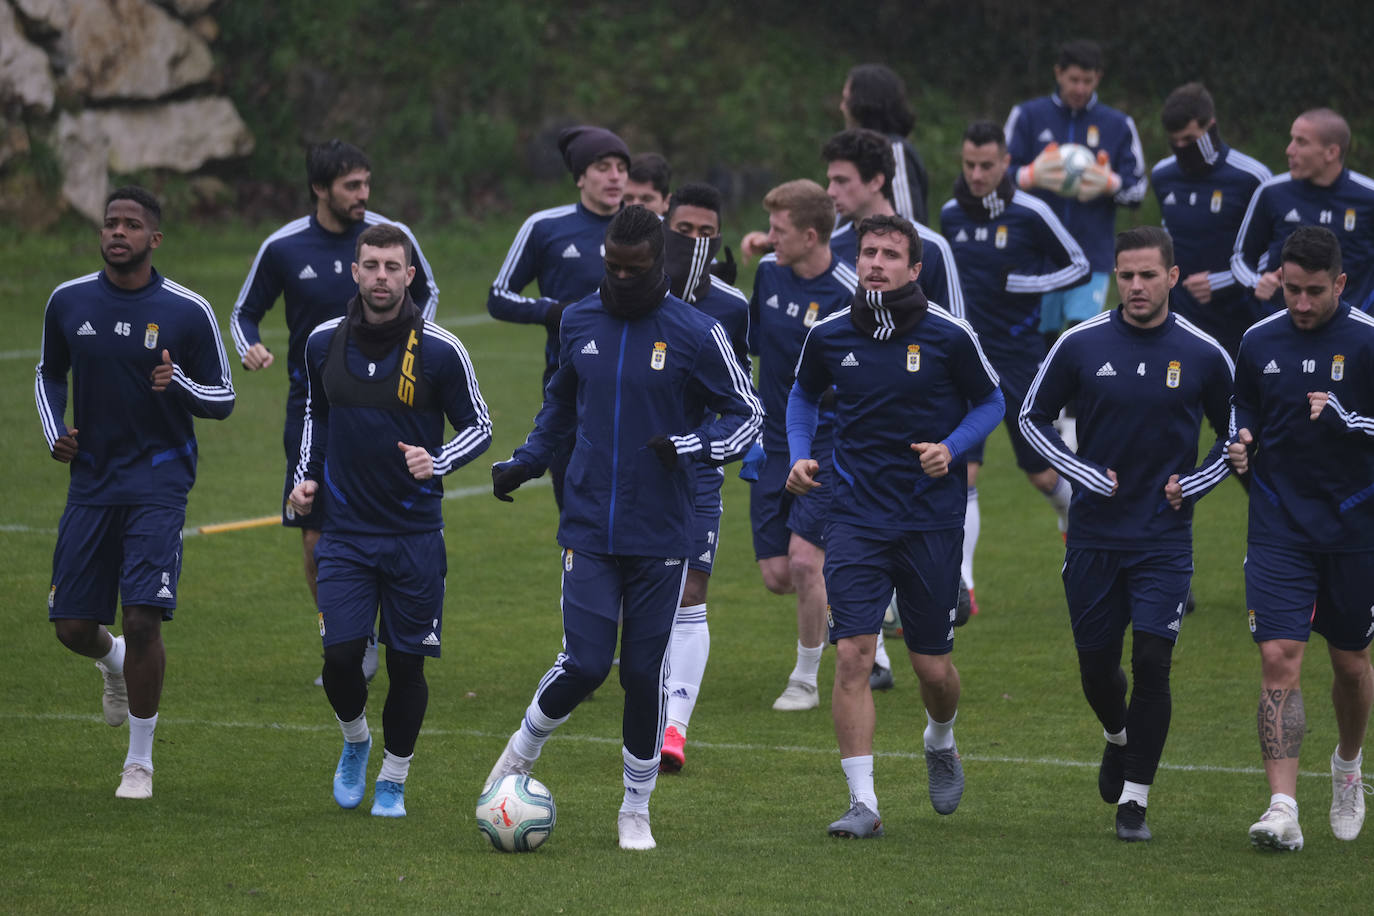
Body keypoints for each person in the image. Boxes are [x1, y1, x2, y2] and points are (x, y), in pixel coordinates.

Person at [483, 205, 763, 850]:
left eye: (633, 270)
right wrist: (526, 462)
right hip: (586, 522)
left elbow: (746, 414)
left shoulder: (696, 332)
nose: (620, 278)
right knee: (584, 663)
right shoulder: (580, 318)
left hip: (662, 530)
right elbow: (559, 404)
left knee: (641, 672)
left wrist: (695, 444)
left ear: (658, 265)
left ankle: (635, 807)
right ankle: (519, 755)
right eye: (611, 266)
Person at [787, 213, 1004, 837]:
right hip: (854, 514)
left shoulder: (948, 334)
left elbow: (992, 399)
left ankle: (940, 738)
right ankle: (863, 803)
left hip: (931, 520)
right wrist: (802, 450)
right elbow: (803, 395)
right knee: (853, 654)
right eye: (868, 252)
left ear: (914, 269)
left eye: (890, 254)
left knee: (931, 667)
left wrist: (952, 446)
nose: (875, 262)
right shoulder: (829, 334)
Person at [1020, 226, 1234, 842]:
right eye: (1126, 275)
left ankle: (1135, 801)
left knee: (1153, 661)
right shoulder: (1080, 343)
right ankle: (1116, 737)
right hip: (1093, 536)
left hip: (1164, 539)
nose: (1136, 286)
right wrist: (1083, 473)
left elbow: (1236, 434)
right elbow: (1030, 418)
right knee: (1097, 670)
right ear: (1115, 277)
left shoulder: (1201, 352)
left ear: (1172, 276)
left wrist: (1191, 486)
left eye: (1148, 275)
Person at [36, 186, 236, 799]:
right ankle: (114, 661)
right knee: (71, 626)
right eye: (110, 223)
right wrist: (56, 435)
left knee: (145, 617)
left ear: (155, 239)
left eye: (130, 225)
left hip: (159, 479)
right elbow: (49, 372)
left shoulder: (186, 310)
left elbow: (223, 397)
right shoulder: (68, 301)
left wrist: (179, 386)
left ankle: (139, 762)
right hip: (92, 480)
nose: (117, 232)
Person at [288, 223, 492, 817]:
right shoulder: (323, 341)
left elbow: (479, 426)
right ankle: (356, 741)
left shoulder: (440, 349)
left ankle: (394, 779)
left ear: (409, 276)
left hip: (414, 536)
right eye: (370, 265)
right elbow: (314, 417)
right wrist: (305, 479)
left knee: (407, 665)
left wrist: (440, 459)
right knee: (339, 659)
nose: (381, 276)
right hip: (346, 534)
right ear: (354, 272)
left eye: (391, 267)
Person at [230, 139, 438, 683]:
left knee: (390, 525)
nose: (363, 195)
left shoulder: (393, 239)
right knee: (314, 530)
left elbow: (430, 294)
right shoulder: (284, 246)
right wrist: (249, 345)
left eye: (367, 183)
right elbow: (244, 312)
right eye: (351, 186)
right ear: (320, 189)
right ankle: (350, 635)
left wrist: (412, 354)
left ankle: (397, 633)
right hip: (313, 406)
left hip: (392, 404)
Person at [1227, 226, 1374, 851]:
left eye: (1316, 291)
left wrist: (1348, 420)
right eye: (1291, 290)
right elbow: (1244, 405)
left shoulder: (1367, 341)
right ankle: (1282, 807)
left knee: (1349, 665)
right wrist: (1241, 440)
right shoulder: (1259, 340)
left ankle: (1347, 764)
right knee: (1278, 658)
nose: (1302, 304)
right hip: (1278, 523)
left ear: (1340, 283)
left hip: (1354, 527)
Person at [940, 120, 1090, 612]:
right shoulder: (950, 214)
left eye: (987, 165)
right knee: (963, 471)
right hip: (964, 360)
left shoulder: (1031, 211)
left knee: (1044, 477)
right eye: (970, 165)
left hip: (1020, 360)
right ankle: (962, 590)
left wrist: (1023, 284)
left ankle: (1076, 524)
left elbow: (1078, 264)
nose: (977, 174)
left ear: (1006, 163)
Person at [744, 180, 866, 708]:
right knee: (776, 575)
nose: (769, 237)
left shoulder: (849, 289)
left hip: (829, 442)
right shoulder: (768, 274)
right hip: (772, 442)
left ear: (811, 235)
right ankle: (864, 587)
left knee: (802, 562)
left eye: (778, 230)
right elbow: (751, 346)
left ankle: (806, 679)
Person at [657, 182, 753, 773]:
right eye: (685, 231)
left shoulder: (732, 308)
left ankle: (675, 728)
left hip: (697, 473)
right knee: (643, 597)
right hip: (632, 469)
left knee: (692, 593)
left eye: (707, 234)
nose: (696, 242)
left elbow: (739, 393)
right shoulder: (631, 295)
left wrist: (720, 444)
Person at [487, 124, 630, 507]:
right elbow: (498, 297)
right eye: (603, 166)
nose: (615, 175)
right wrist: (555, 311)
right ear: (580, 176)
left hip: (640, 381)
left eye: (621, 166)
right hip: (571, 385)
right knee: (575, 505)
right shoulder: (545, 227)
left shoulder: (645, 227)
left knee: (637, 507)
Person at [1004, 39, 1148, 342]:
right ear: (1058, 74)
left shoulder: (1118, 124)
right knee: (1038, 343)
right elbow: (996, 177)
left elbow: (1137, 191)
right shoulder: (1027, 116)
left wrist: (1112, 184)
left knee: (1080, 341)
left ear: (1099, 78)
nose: (1080, 88)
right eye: (1073, 80)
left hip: (1091, 255)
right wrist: (1027, 176)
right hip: (1036, 255)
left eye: (1088, 80)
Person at [1151, 83, 1272, 360]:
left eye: (1189, 139)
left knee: (1232, 396)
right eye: (1175, 141)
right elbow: (1167, 237)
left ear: (1211, 127)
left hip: (1239, 311)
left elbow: (1272, 251)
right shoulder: (1162, 175)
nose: (1182, 148)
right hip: (1180, 311)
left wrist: (1224, 282)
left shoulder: (1251, 177)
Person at [1232, 108, 1374, 315]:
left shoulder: (1368, 197)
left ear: (1331, 152)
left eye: (1301, 142)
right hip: (1282, 323)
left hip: (1350, 329)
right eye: (1292, 140)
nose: (1289, 150)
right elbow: (1240, 257)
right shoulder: (1271, 192)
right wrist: (1256, 282)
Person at [824, 128, 964, 316]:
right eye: (831, 181)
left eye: (841, 181)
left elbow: (956, 332)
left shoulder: (931, 248)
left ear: (876, 181)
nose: (830, 192)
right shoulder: (829, 248)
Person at [840, 64, 931, 226]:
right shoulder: (852, 156)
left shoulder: (894, 151)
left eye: (846, 101)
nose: (842, 108)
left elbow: (909, 227)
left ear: (863, 105)